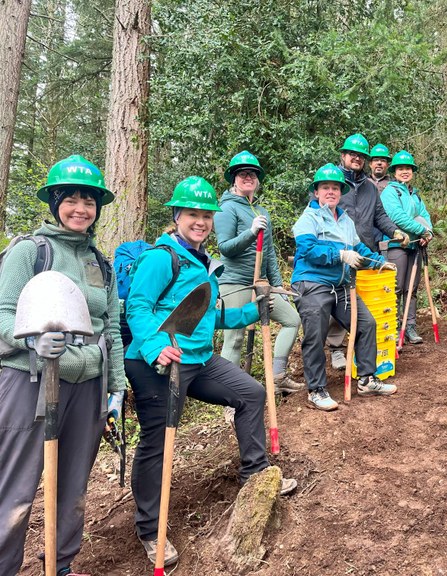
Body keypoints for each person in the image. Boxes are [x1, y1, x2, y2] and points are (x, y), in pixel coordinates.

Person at [124, 176, 296, 566]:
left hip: (198, 359)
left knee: (250, 393)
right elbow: (137, 306)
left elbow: (210, 319)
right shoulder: (160, 258)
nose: (199, 221)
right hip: (156, 362)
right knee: (157, 440)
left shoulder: (203, 263)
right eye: (192, 215)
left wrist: (256, 310)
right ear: (177, 216)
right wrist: (155, 347)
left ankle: (254, 475)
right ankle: (150, 529)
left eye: (205, 216)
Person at [0, 155, 125, 576]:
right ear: (54, 203)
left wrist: (117, 388)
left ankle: (61, 564)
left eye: (88, 201)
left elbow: (110, 328)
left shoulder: (100, 262)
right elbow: (2, 312)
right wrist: (32, 336)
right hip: (29, 380)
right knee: (14, 488)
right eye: (70, 198)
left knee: (72, 485)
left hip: (89, 383)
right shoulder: (29, 251)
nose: (80, 209)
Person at [292, 164, 398, 411]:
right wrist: (339, 255)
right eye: (325, 187)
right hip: (312, 283)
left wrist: (380, 263)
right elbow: (308, 250)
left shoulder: (346, 219)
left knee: (366, 323)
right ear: (316, 192)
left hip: (341, 285)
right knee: (315, 335)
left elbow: (358, 249)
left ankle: (367, 379)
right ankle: (316, 390)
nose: (331, 191)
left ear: (341, 192)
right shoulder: (309, 218)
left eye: (335, 188)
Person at [215, 151, 302, 394]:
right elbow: (225, 248)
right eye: (242, 173)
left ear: (258, 179)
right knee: (235, 338)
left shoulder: (262, 211)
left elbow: (271, 254)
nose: (247, 177)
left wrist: (279, 287)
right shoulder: (226, 209)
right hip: (235, 284)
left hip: (261, 284)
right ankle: (228, 396)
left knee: (292, 320)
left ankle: (277, 378)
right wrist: (251, 232)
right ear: (233, 178)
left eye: (252, 173)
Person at [326, 134, 409, 370]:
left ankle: (366, 349)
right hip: (338, 254)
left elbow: (380, 215)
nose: (357, 158)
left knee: (366, 301)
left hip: (365, 251)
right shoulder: (332, 183)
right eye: (352, 154)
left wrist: (394, 232)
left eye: (361, 156)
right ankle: (335, 348)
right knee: (338, 302)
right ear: (343, 155)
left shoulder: (370, 188)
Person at [380, 150, 433, 345]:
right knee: (397, 287)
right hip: (396, 245)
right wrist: (422, 230)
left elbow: (425, 216)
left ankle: (410, 326)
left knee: (412, 288)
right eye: (401, 168)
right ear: (394, 171)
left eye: (408, 168)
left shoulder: (414, 194)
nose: (405, 171)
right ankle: (392, 327)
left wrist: (428, 233)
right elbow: (397, 217)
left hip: (415, 247)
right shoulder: (389, 192)